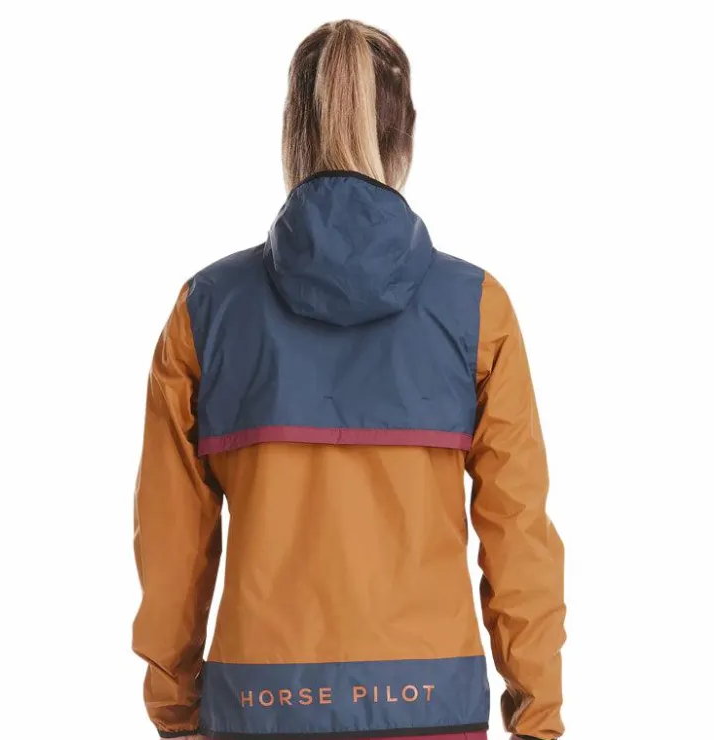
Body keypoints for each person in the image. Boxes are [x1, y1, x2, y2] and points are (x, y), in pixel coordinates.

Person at [132, 19, 565, 740]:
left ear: (291, 134)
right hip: (431, 706)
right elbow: (518, 533)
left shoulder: (206, 312)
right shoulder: (476, 309)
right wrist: (539, 714)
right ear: (405, 138)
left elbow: (172, 544)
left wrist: (177, 712)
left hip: (258, 707)